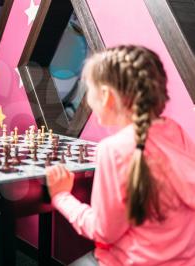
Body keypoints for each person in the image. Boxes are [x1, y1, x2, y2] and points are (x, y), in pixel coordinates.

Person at [45, 45, 195, 266]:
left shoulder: (113, 149)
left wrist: (61, 196)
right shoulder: (175, 131)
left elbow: (103, 231)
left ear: (105, 95)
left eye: (90, 90)